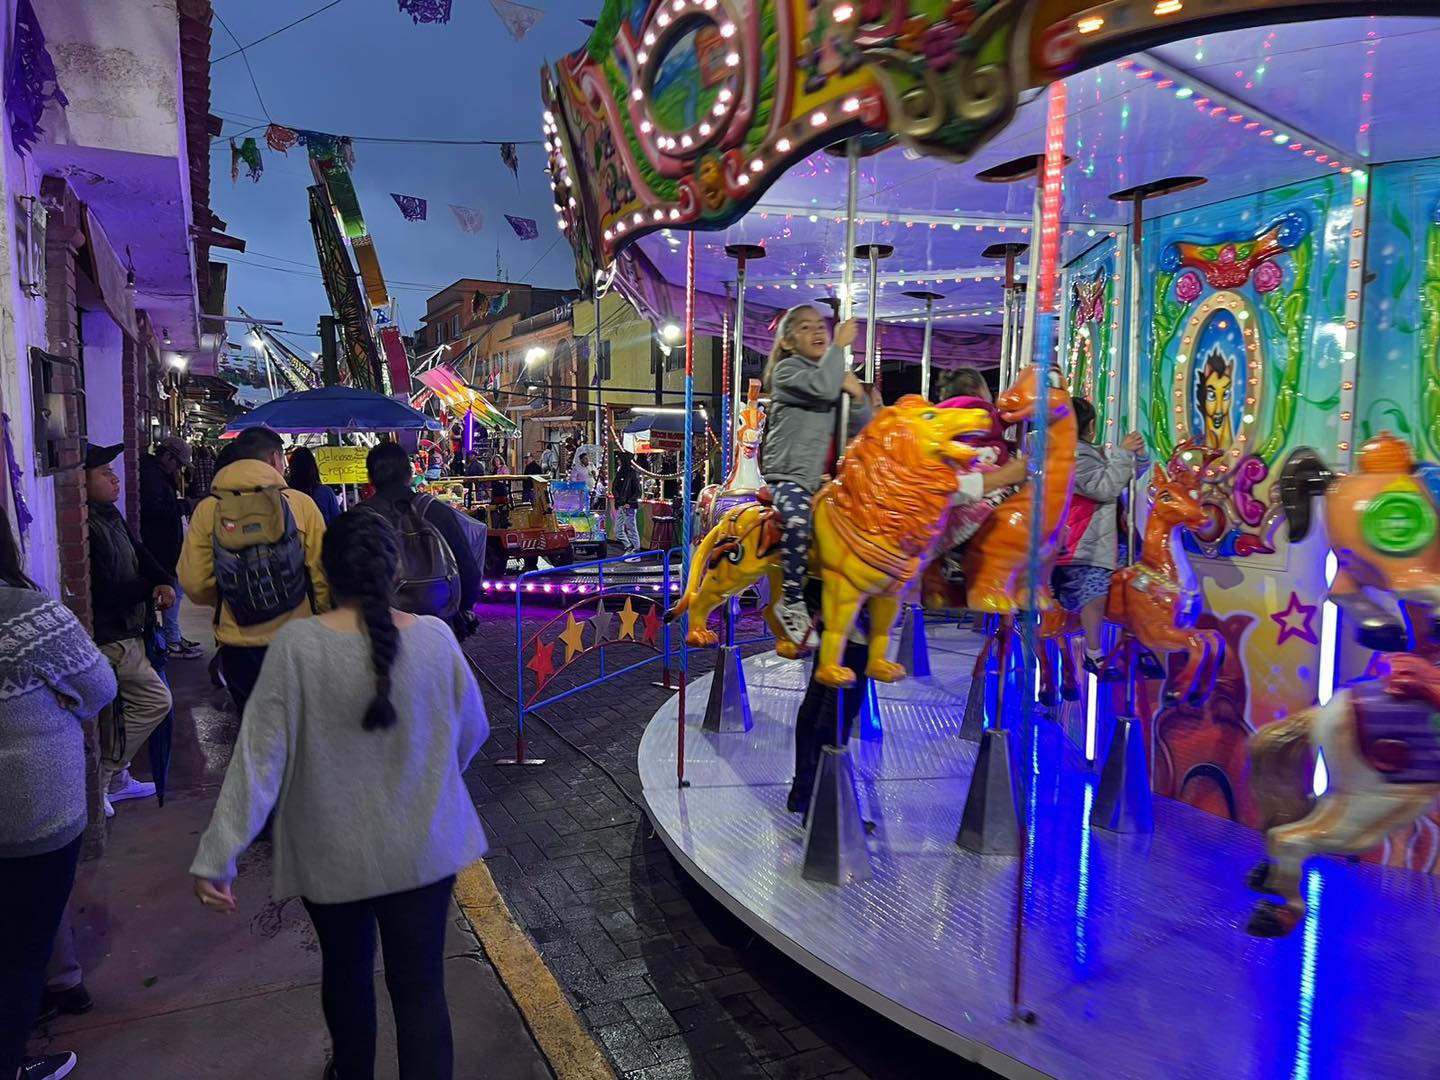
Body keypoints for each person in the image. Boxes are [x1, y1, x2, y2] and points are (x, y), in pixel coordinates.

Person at [190, 510, 489, 1080]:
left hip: (331, 854)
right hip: (422, 849)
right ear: (394, 569)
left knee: (347, 975)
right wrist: (428, 779)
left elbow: (259, 760)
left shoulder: (298, 648)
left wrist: (218, 854)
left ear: (323, 574)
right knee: (421, 988)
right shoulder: (435, 640)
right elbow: (472, 731)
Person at [0, 506, 116, 1080]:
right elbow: (98, 687)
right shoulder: (29, 615)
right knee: (20, 949)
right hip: (30, 811)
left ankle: (64, 983)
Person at [179, 426, 330, 715]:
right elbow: (322, 574)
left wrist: (231, 596)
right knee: (300, 723)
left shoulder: (209, 509)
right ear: (275, 458)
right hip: (296, 636)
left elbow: (194, 582)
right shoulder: (301, 505)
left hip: (238, 642)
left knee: (255, 727)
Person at [759, 305, 871, 647]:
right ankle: (790, 599)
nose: (818, 331)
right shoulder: (788, 372)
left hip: (818, 476)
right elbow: (822, 388)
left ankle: (835, 604)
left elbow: (858, 423)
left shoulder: (829, 371)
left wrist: (857, 394)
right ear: (790, 343)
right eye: (806, 327)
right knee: (797, 520)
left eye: (820, 325)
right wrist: (839, 348)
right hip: (787, 473)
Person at [85, 441, 175, 816]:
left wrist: (162, 579)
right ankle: (106, 776)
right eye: (104, 472)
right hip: (113, 636)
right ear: (81, 480)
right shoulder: (86, 525)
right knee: (157, 701)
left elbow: (140, 553)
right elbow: (106, 590)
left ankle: (117, 778)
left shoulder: (109, 515)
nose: (114, 477)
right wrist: (148, 587)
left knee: (118, 713)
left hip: (129, 630)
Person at [1053, 397, 1149, 676]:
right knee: (1094, 594)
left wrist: (1137, 457)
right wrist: (1121, 454)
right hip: (1084, 539)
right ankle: (1094, 653)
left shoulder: (1088, 453)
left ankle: (1135, 642)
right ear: (1091, 425)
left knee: (1142, 582)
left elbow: (1120, 476)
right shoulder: (1072, 456)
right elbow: (1104, 487)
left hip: (1108, 536)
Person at [363, 442, 482, 639]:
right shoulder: (437, 512)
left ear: (370, 478)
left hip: (377, 635)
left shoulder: (358, 519)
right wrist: (458, 613)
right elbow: (469, 574)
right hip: (436, 630)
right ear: (409, 475)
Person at [140, 435, 202, 660]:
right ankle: (170, 639)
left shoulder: (156, 473)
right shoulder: (153, 476)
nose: (178, 469)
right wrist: (186, 505)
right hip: (159, 543)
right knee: (172, 588)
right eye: (177, 463)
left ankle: (171, 635)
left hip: (163, 543)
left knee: (175, 587)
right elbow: (156, 509)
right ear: (167, 456)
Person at [287, 446, 342, 525]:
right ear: (314, 466)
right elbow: (337, 521)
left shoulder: (286, 493)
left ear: (291, 467)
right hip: (322, 536)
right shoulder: (325, 492)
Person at [612, 451, 642, 553]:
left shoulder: (632, 473)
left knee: (631, 529)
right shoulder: (620, 472)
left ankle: (636, 549)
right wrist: (620, 500)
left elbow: (638, 491)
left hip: (629, 506)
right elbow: (614, 488)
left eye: (620, 459)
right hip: (621, 505)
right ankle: (629, 546)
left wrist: (629, 502)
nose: (618, 461)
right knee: (617, 530)